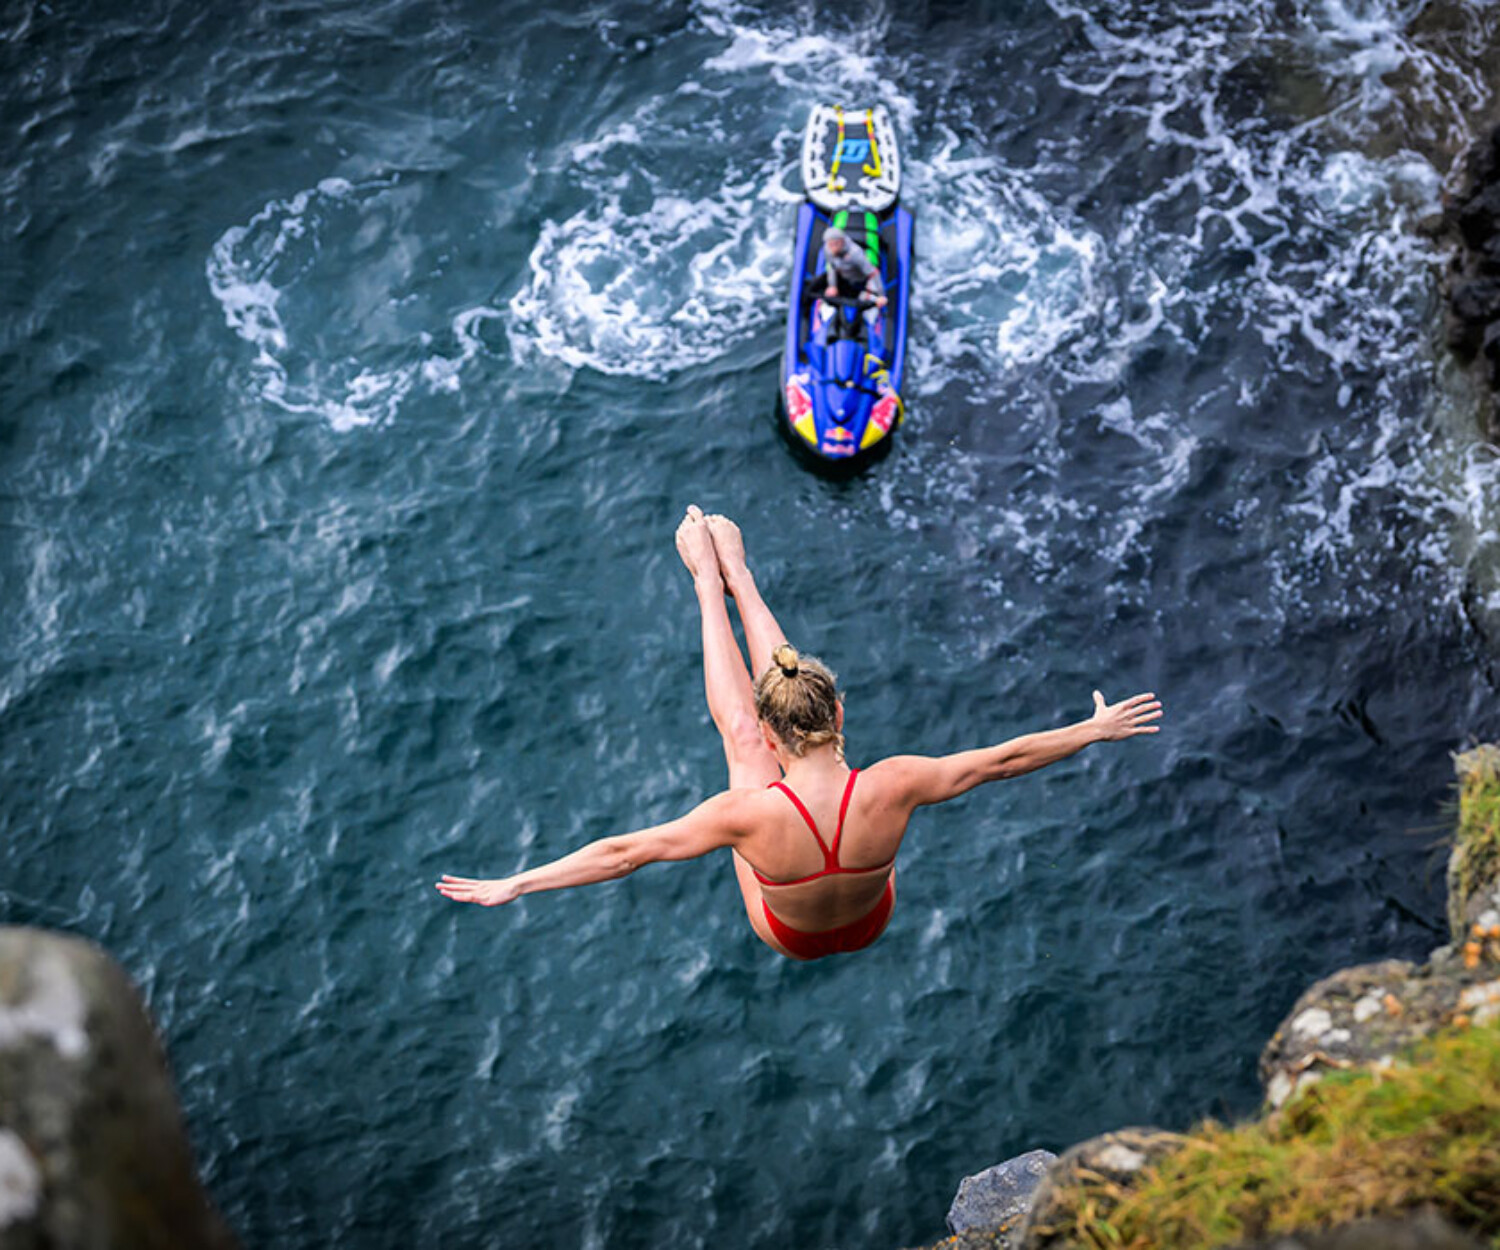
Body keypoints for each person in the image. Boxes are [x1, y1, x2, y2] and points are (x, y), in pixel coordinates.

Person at [436, 507, 1162, 961]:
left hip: (788, 933)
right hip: (872, 917)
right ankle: (739, 576)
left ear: (774, 732)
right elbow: (1003, 760)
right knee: (796, 766)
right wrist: (1092, 730)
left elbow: (626, 853)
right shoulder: (895, 784)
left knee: (739, 752)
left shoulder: (746, 814)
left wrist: (519, 881)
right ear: (838, 714)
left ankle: (709, 582)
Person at [814, 226, 886, 346]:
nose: (832, 248)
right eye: (830, 244)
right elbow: (832, 267)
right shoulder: (827, 250)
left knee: (869, 311)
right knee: (825, 302)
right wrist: (832, 285)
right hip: (843, 280)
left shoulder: (855, 253)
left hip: (861, 282)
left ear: (842, 241)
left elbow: (873, 273)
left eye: (835, 244)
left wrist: (881, 295)